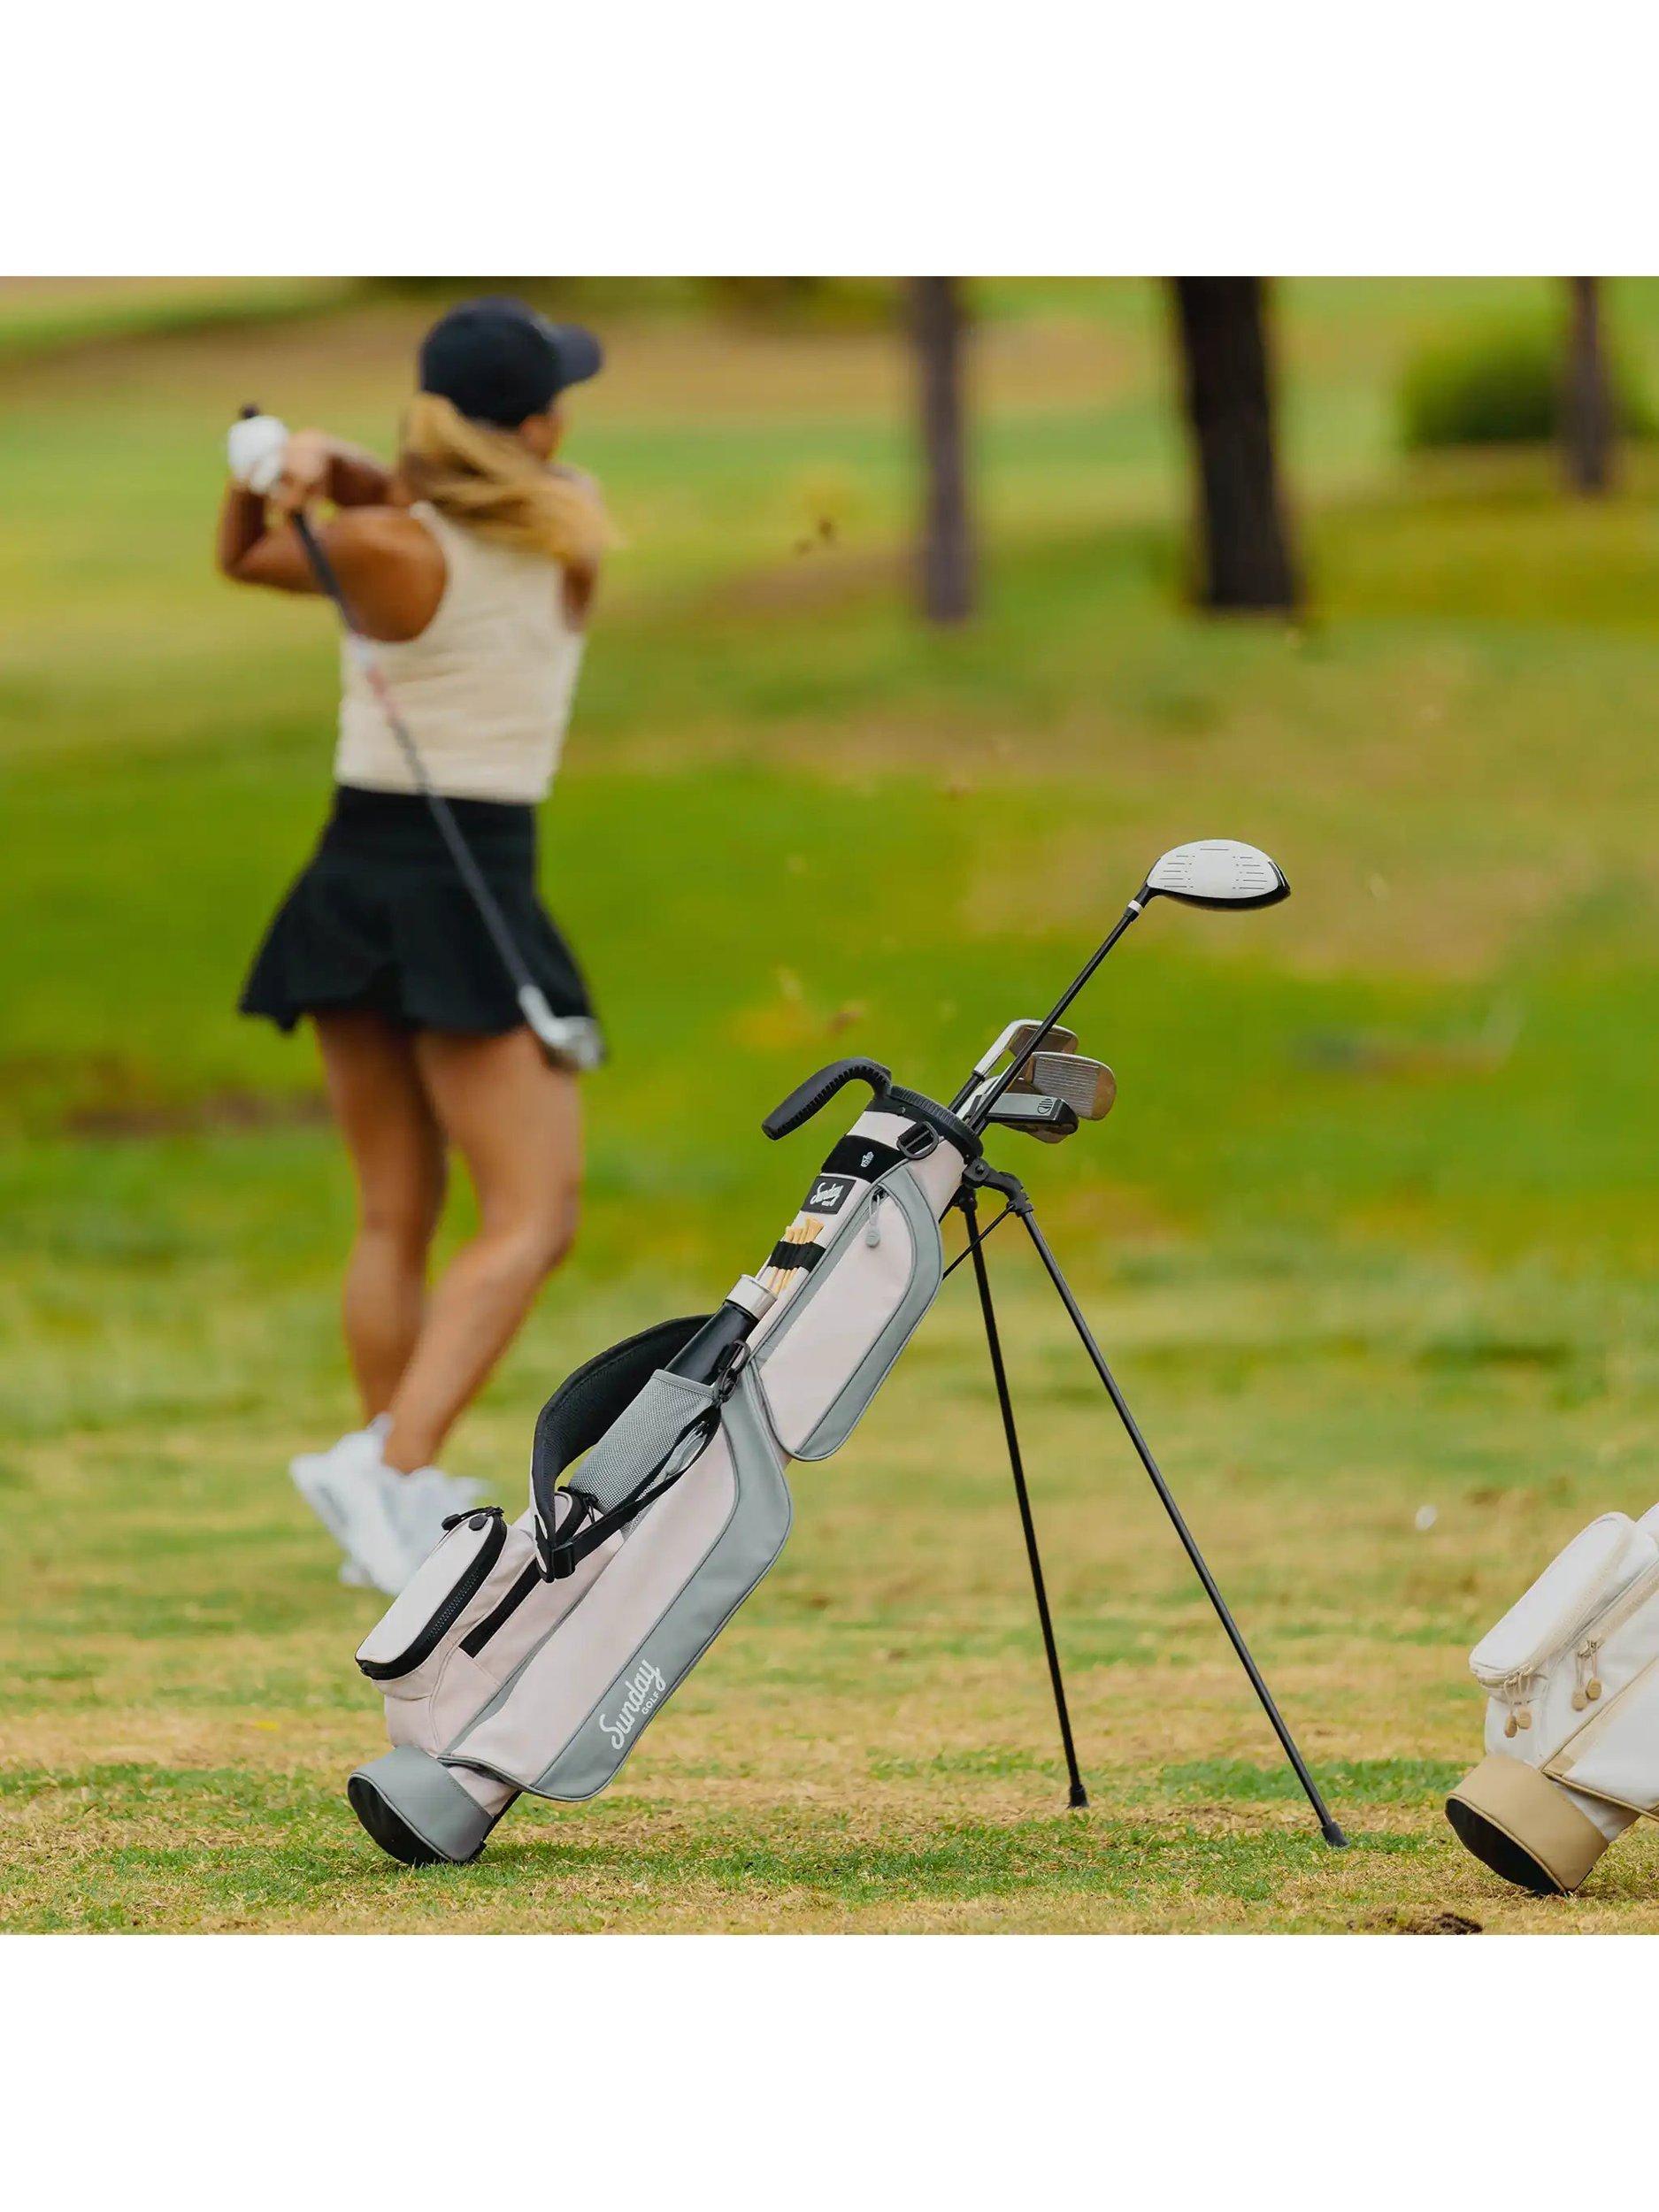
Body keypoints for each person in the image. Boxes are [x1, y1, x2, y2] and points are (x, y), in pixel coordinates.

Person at [216, 296, 611, 1594]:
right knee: (533, 1214)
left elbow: (252, 558)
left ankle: (389, 1486)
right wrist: (336, 472)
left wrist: (274, 473)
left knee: (396, 1213)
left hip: (353, 873)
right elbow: (453, 513)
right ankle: (389, 1473)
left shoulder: (381, 546)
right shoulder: (576, 526)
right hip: (471, 880)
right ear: (536, 429)